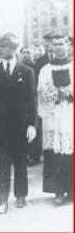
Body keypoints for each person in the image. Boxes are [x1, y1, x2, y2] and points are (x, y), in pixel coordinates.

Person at [0, 33, 37, 214]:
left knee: (20, 160)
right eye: (0, 46)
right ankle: (2, 200)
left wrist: (32, 125)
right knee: (2, 163)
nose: (1, 50)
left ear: (14, 48)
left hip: (20, 126)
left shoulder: (27, 72)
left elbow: (32, 100)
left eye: (5, 46)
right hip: (0, 127)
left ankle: (21, 195)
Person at [38, 33, 73, 205]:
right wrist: (51, 94)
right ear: (51, 47)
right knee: (55, 154)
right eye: (55, 44)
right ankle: (58, 191)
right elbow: (41, 92)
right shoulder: (45, 70)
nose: (58, 47)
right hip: (53, 114)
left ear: (67, 45)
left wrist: (68, 93)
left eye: (61, 43)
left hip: (70, 113)